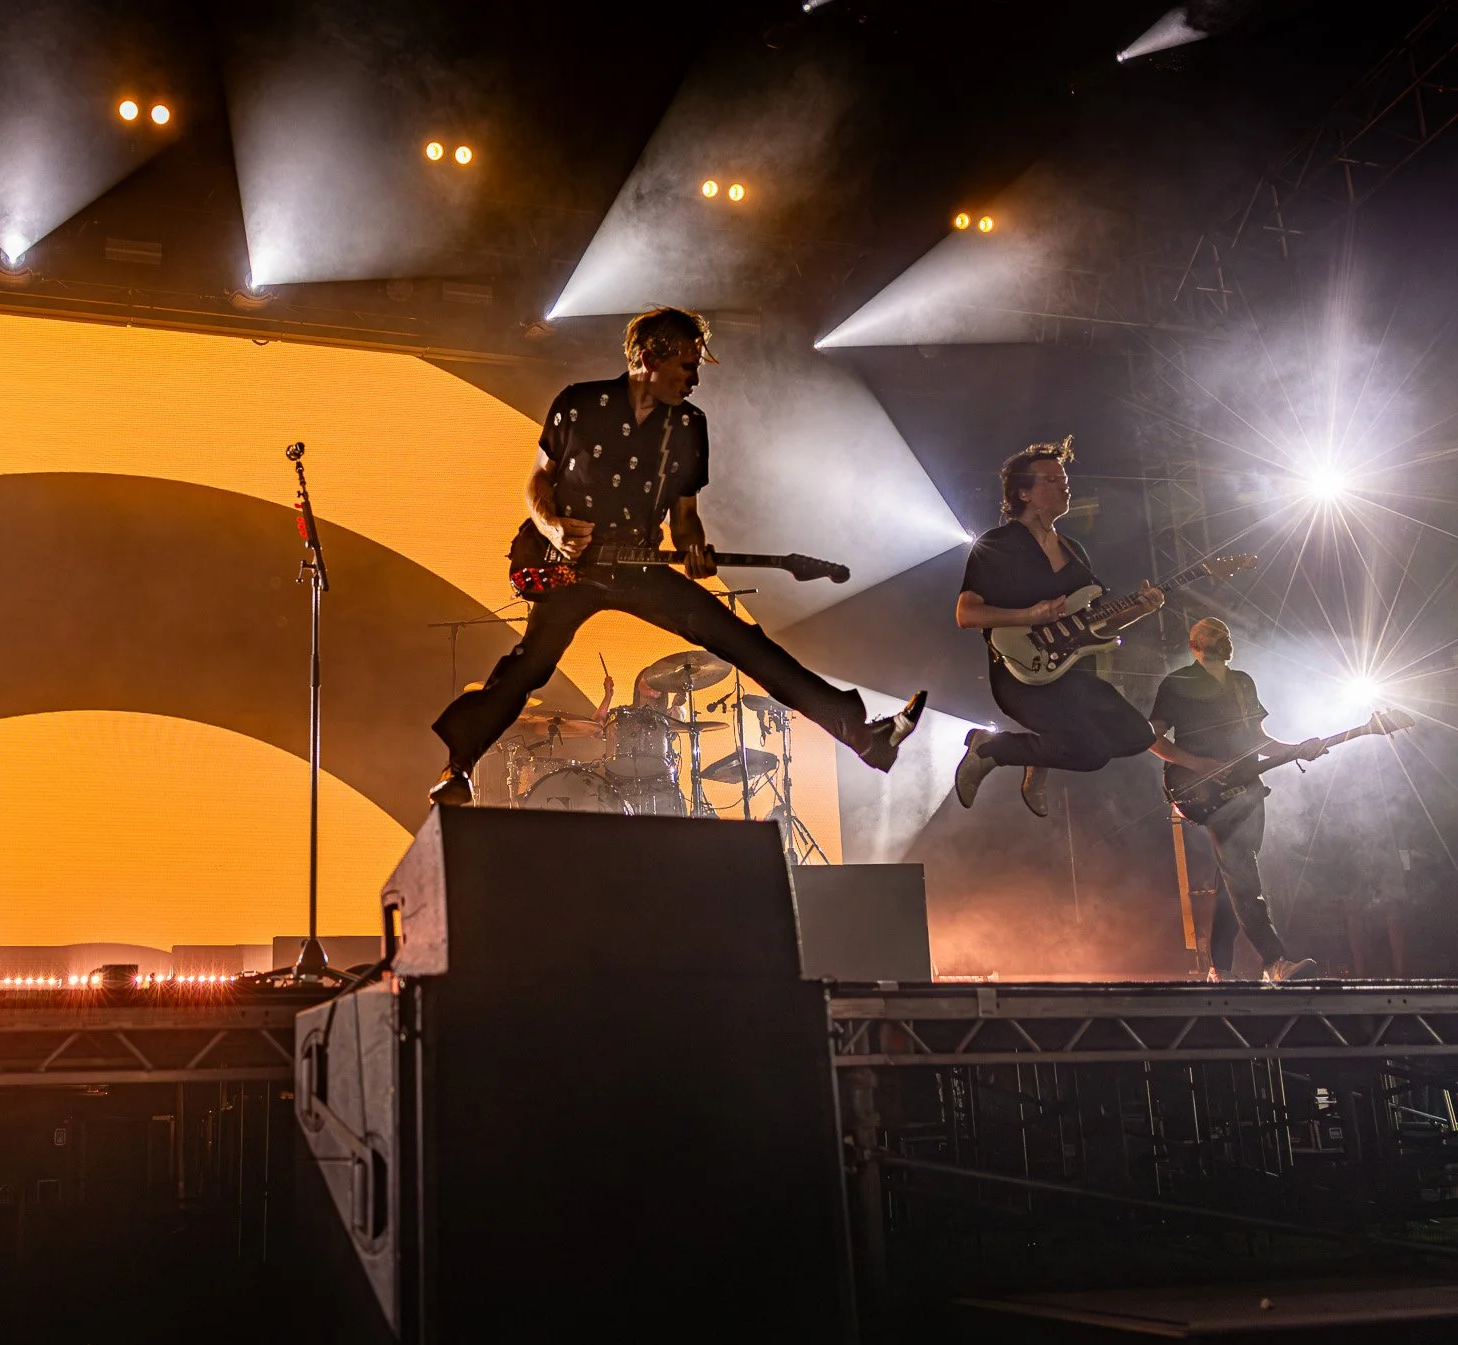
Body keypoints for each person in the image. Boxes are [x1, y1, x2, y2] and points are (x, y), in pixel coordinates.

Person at [428, 306, 924, 805]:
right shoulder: (579, 403)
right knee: (528, 667)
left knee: (740, 640)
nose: (695, 378)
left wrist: (694, 551)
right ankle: (458, 768)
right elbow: (538, 479)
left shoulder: (688, 425)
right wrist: (552, 527)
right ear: (649, 359)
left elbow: (685, 519)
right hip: (569, 567)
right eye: (687, 365)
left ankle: (863, 737)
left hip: (639, 566)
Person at [953, 437, 1162, 817]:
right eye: (1051, 480)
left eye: (1064, 480)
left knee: (1138, 736)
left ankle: (1039, 755)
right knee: (1091, 753)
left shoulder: (1073, 550)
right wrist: (1028, 616)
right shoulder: (999, 543)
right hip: (1022, 676)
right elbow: (966, 614)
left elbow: (1097, 622)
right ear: (1023, 493)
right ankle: (990, 749)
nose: (1064, 486)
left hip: (1075, 674)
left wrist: (1140, 610)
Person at [1150, 617, 1322, 982]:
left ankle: (1221, 967)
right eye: (1213, 633)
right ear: (1194, 645)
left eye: (1225, 633)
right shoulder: (1178, 683)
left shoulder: (1243, 682)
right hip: (1205, 792)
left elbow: (1258, 740)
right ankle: (1274, 962)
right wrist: (1196, 764)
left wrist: (1298, 749)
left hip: (1248, 788)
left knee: (1234, 877)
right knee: (1243, 874)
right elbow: (1153, 738)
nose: (1222, 637)